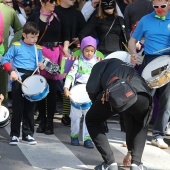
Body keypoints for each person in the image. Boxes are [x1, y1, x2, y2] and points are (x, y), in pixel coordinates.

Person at [85, 58, 153, 170]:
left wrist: (97, 103)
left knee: (92, 119)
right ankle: (136, 164)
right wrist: (130, 151)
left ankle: (110, 163)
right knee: (141, 122)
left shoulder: (99, 65)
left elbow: (91, 88)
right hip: (142, 95)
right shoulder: (126, 65)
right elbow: (130, 122)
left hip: (117, 93)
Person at [128, 0, 170, 149]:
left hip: (168, 60)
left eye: (162, 6)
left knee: (166, 102)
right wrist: (133, 53)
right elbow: (133, 40)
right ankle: (135, 134)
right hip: (150, 61)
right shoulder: (146, 19)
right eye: (155, 6)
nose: (159, 9)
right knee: (144, 101)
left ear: (169, 3)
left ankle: (158, 135)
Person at [27, 0, 70, 135]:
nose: (54, 4)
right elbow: (28, 35)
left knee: (51, 89)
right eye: (51, 1)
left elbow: (66, 35)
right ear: (42, 2)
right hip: (38, 54)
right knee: (39, 88)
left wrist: (66, 49)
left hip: (54, 55)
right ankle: (42, 120)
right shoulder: (34, 16)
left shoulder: (58, 17)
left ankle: (50, 122)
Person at [1, 22, 44, 145]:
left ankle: (28, 134)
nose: (35, 39)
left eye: (36, 37)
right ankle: (14, 135)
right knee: (18, 108)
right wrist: (11, 72)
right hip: (19, 77)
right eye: (32, 37)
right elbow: (5, 60)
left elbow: (40, 63)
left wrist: (41, 65)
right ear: (24, 35)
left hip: (32, 79)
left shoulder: (38, 48)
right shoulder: (16, 46)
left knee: (30, 108)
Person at [64, 36, 101, 148]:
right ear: (82, 49)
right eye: (86, 50)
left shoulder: (97, 63)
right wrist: (66, 87)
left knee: (88, 117)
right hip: (77, 91)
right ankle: (74, 136)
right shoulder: (77, 61)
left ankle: (87, 138)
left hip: (90, 92)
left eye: (92, 51)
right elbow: (70, 75)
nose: (89, 53)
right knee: (75, 117)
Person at [55, 0, 86, 126]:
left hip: (72, 52)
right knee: (51, 82)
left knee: (68, 83)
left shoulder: (77, 14)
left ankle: (66, 114)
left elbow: (85, 30)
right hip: (55, 51)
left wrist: (80, 39)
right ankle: (44, 114)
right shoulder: (54, 11)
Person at [0, 1, 23, 107]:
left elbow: (19, 29)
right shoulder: (9, 10)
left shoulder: (9, 11)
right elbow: (19, 29)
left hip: (3, 56)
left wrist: (10, 46)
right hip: (3, 57)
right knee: (3, 91)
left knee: (3, 89)